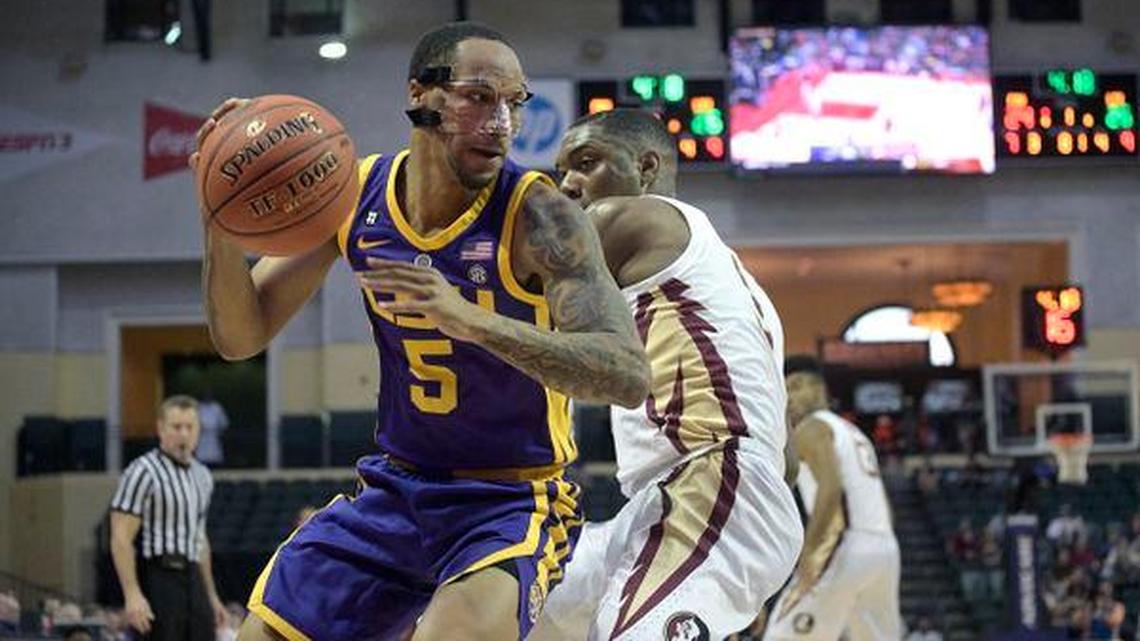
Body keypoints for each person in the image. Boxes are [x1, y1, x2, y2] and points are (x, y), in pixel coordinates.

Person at [191, 21, 649, 641]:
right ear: (421, 94)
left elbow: (625, 372)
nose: (501, 122)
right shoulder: (355, 195)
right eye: (479, 96)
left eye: (514, 103)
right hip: (395, 488)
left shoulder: (539, 215)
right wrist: (219, 220)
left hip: (509, 499)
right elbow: (240, 337)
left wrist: (471, 320)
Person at [531, 108, 803, 640]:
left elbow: (511, 270)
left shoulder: (635, 217)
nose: (568, 184)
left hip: (712, 481)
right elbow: (785, 458)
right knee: (516, 608)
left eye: (587, 163)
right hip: (678, 500)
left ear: (646, 167)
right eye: (562, 169)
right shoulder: (742, 291)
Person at [762, 356, 901, 641]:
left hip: (845, 544)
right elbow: (884, 505)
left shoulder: (811, 428)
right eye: (787, 389)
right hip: (886, 549)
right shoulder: (856, 433)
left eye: (798, 386)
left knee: (782, 635)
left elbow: (831, 489)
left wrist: (809, 554)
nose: (791, 397)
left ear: (819, 388)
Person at [109, 395, 226, 641]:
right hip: (159, 575)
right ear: (160, 429)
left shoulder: (203, 475)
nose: (183, 434)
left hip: (193, 575)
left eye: (189, 427)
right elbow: (120, 537)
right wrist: (132, 594)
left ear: (198, 431)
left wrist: (212, 596)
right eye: (176, 427)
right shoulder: (143, 470)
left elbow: (200, 541)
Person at [194, 391, 229, 467]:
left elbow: (223, 422)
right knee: (202, 455)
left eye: (209, 396)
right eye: (206, 396)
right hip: (202, 435)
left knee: (214, 454)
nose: (207, 398)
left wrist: (220, 431)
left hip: (214, 434)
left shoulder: (217, 408)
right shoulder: (199, 407)